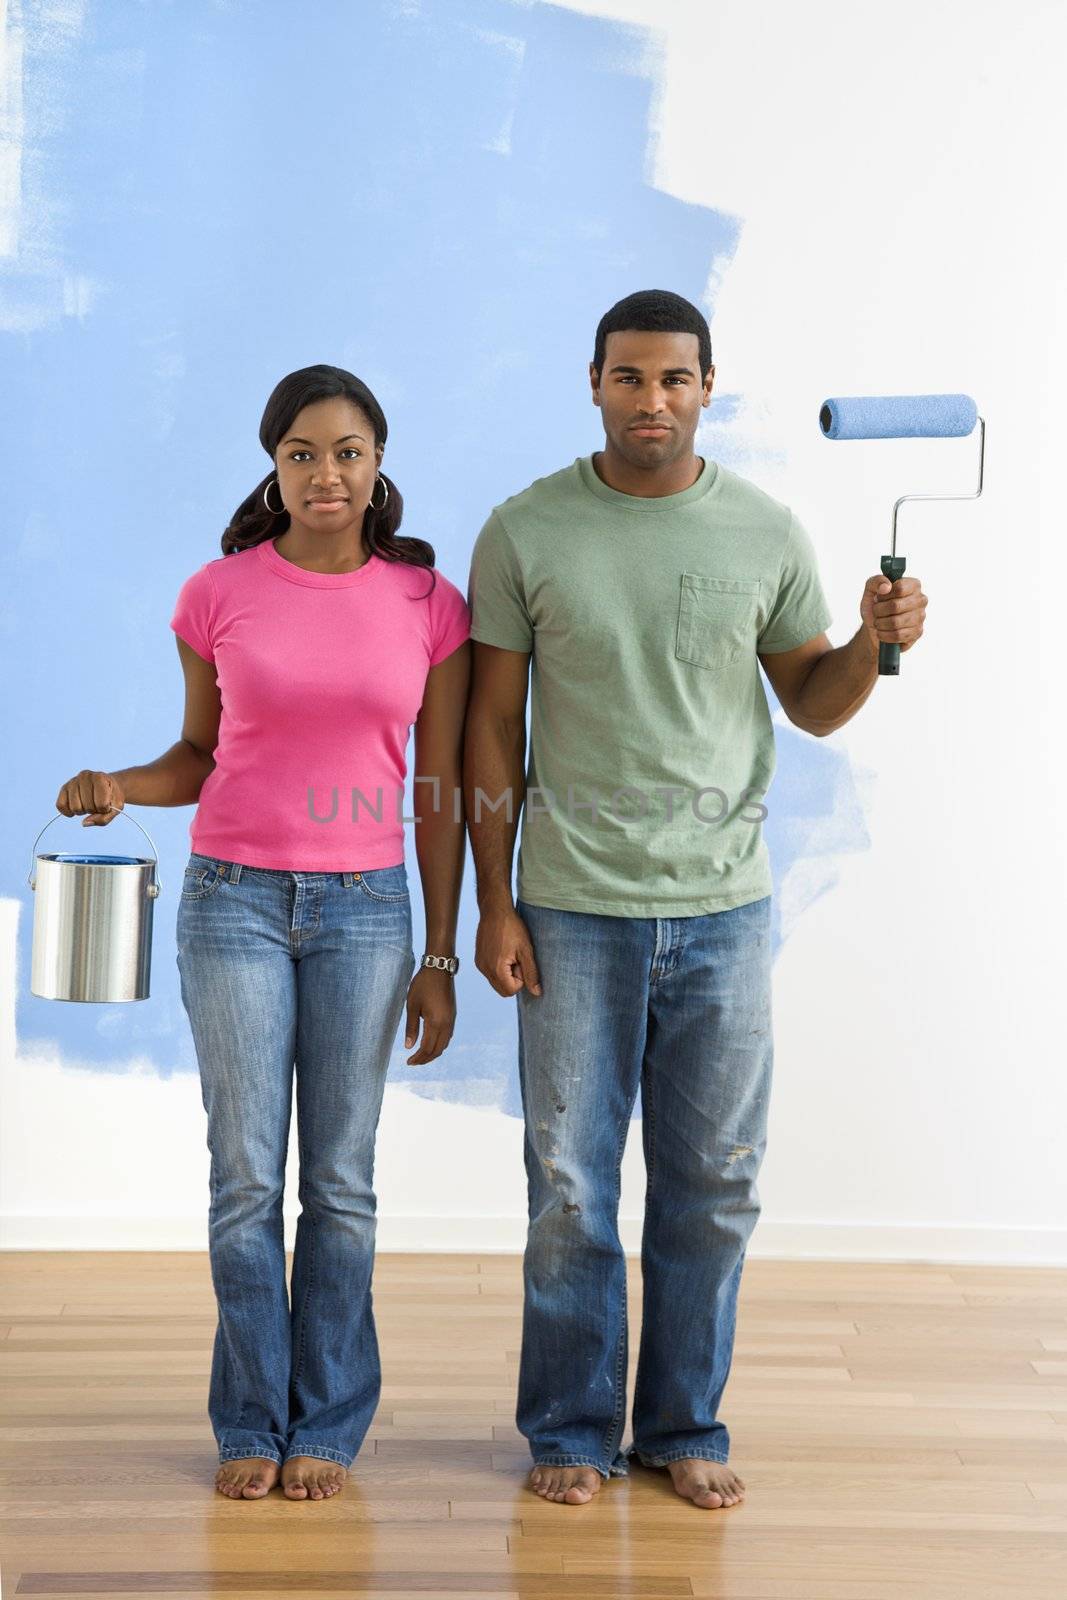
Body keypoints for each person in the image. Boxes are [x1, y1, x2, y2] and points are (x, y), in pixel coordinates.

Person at [463, 289, 928, 1509]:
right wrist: (494, 904)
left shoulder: (764, 531)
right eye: (628, 377)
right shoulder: (524, 528)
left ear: (707, 386)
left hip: (722, 913)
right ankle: (568, 1431)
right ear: (593, 381)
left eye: (674, 379)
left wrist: (878, 646)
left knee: (712, 1179)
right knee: (569, 1182)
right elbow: (488, 730)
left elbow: (811, 703)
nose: (650, 400)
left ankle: (681, 1426)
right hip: (568, 907)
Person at [55, 365, 471, 1503]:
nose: (323, 473)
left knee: (339, 1181)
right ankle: (250, 1418)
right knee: (245, 1178)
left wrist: (439, 953)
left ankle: (326, 1424)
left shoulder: (428, 606)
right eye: (300, 453)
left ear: (378, 460)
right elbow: (196, 755)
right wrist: (115, 785)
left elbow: (437, 784)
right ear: (273, 467)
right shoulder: (216, 593)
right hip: (232, 900)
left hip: (367, 909)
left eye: (344, 451)